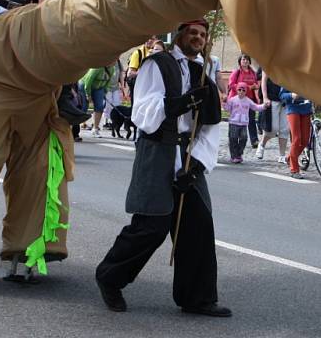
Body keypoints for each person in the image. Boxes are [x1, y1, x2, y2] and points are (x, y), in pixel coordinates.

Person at [95, 19, 230, 317]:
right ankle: (110, 277)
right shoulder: (157, 64)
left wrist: (194, 166)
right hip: (157, 150)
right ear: (179, 35)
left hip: (189, 154)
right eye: (193, 33)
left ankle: (197, 298)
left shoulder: (202, 71)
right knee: (151, 226)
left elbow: (208, 126)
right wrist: (178, 104)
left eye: (203, 35)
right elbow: (143, 113)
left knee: (197, 225)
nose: (198, 38)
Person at [224, 81, 268, 163]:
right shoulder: (233, 100)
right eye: (239, 89)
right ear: (237, 90)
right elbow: (227, 108)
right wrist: (224, 102)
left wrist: (264, 106)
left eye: (243, 90)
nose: (241, 91)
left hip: (243, 124)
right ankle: (234, 156)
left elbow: (256, 107)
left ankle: (239, 154)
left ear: (246, 91)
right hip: (233, 123)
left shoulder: (248, 101)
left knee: (244, 139)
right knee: (233, 139)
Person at [227, 54, 261, 149]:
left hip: (249, 100)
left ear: (249, 62)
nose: (245, 61)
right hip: (237, 100)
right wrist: (244, 88)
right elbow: (231, 85)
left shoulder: (253, 73)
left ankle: (254, 140)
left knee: (251, 119)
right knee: (236, 120)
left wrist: (255, 86)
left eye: (247, 60)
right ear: (240, 62)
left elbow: (256, 83)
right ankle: (233, 138)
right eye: (243, 60)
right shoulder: (236, 72)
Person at [279, 88, 313, 179]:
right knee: (297, 139)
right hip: (293, 109)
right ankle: (294, 170)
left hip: (306, 109)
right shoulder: (289, 77)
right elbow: (281, 95)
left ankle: (289, 158)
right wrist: (291, 95)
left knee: (305, 141)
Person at [258, 69, 290, 163]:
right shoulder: (269, 63)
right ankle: (262, 144)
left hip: (285, 100)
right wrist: (265, 97)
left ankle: (282, 156)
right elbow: (264, 80)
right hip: (272, 98)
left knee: (284, 129)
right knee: (273, 129)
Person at [81, 63, 118, 136]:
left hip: (99, 87)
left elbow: (108, 81)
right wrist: (88, 95)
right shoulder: (97, 67)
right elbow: (88, 81)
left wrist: (105, 91)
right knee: (84, 107)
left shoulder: (112, 68)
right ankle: (75, 128)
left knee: (100, 107)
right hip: (86, 86)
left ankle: (95, 129)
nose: (114, 63)